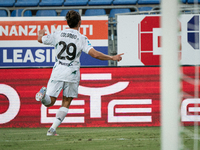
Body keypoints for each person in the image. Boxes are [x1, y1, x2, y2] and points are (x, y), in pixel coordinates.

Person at [35, 10, 124, 136]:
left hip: (58, 70)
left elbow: (40, 39)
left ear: (67, 22)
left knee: (51, 101)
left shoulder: (57, 34)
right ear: (80, 23)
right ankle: (52, 129)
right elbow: (95, 54)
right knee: (66, 102)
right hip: (72, 72)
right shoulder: (81, 38)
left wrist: (40, 34)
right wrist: (111, 57)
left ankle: (43, 97)